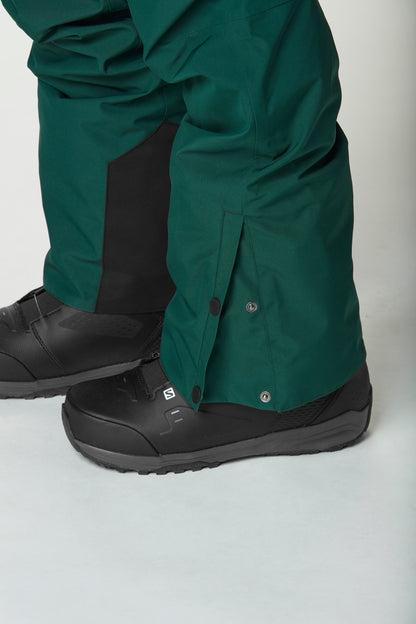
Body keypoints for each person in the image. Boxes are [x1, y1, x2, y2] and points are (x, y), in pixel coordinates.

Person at [0, 0, 372, 474]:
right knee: (85, 21)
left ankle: (275, 377)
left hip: (281, 371)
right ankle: (117, 297)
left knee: (235, 39)